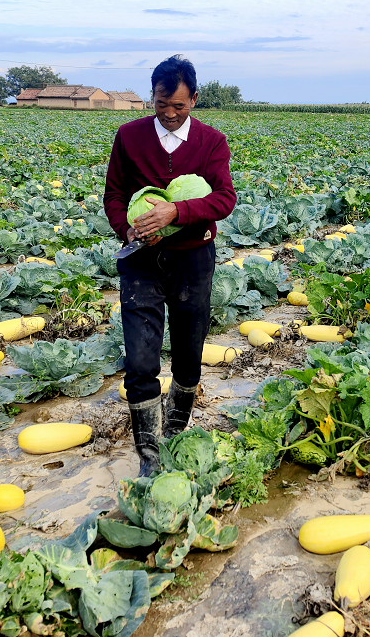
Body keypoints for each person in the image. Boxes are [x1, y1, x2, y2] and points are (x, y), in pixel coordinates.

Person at [103, 55, 237, 476]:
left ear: (194, 99)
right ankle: (148, 455)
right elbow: (114, 194)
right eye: (162, 103)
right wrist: (128, 228)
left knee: (188, 354)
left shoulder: (212, 142)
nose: (170, 113)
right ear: (153, 96)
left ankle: (175, 434)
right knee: (141, 360)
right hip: (140, 261)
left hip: (192, 260)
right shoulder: (129, 136)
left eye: (179, 105)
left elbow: (223, 199)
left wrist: (175, 213)